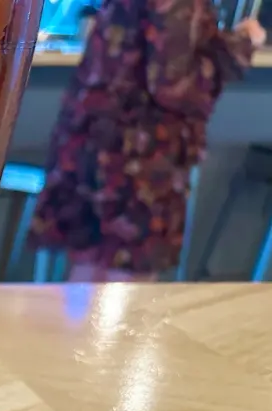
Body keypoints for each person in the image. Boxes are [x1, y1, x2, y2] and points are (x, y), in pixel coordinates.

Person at [29, 0, 266, 281]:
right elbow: (174, 83)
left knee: (89, 280)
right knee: (122, 288)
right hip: (139, 157)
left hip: (100, 141)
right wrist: (243, 43)